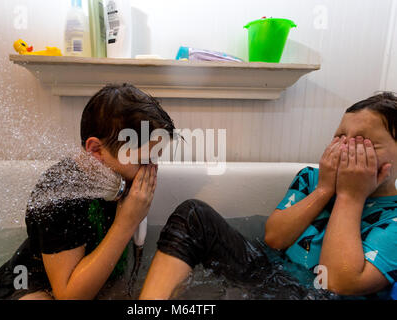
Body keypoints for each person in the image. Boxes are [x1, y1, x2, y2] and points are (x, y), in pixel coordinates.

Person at [139, 92, 397, 300]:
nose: (345, 150)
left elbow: (338, 283)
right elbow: (274, 238)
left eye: (363, 144)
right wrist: (324, 190)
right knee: (194, 214)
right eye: (340, 137)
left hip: (316, 296)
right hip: (272, 275)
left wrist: (350, 197)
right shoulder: (312, 178)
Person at [0, 83, 176, 300]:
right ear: (96, 150)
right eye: (143, 159)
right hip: (30, 284)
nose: (151, 169)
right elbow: (68, 296)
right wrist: (126, 223)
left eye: (155, 158)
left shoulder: (118, 178)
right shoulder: (58, 193)